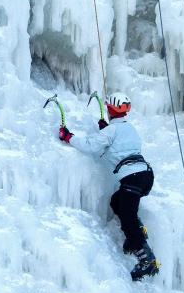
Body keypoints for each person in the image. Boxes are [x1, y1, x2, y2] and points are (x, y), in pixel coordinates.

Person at [58, 92, 159, 281]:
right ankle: (135, 232)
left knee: (127, 215)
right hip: (145, 176)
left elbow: (90, 146)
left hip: (132, 177)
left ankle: (147, 259)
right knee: (117, 202)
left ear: (110, 110)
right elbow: (121, 144)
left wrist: (68, 136)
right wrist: (106, 130)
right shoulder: (130, 130)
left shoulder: (111, 132)